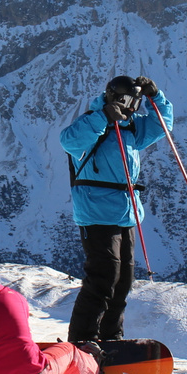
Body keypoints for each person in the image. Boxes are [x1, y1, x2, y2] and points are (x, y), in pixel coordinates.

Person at [58, 74, 173, 344]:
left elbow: (163, 126)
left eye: (136, 101)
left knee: (123, 281)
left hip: (126, 213)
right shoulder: (93, 121)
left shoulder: (130, 127)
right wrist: (103, 118)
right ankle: (83, 340)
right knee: (103, 278)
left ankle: (111, 337)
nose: (131, 107)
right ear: (111, 96)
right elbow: (69, 141)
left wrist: (156, 96)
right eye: (126, 100)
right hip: (96, 214)